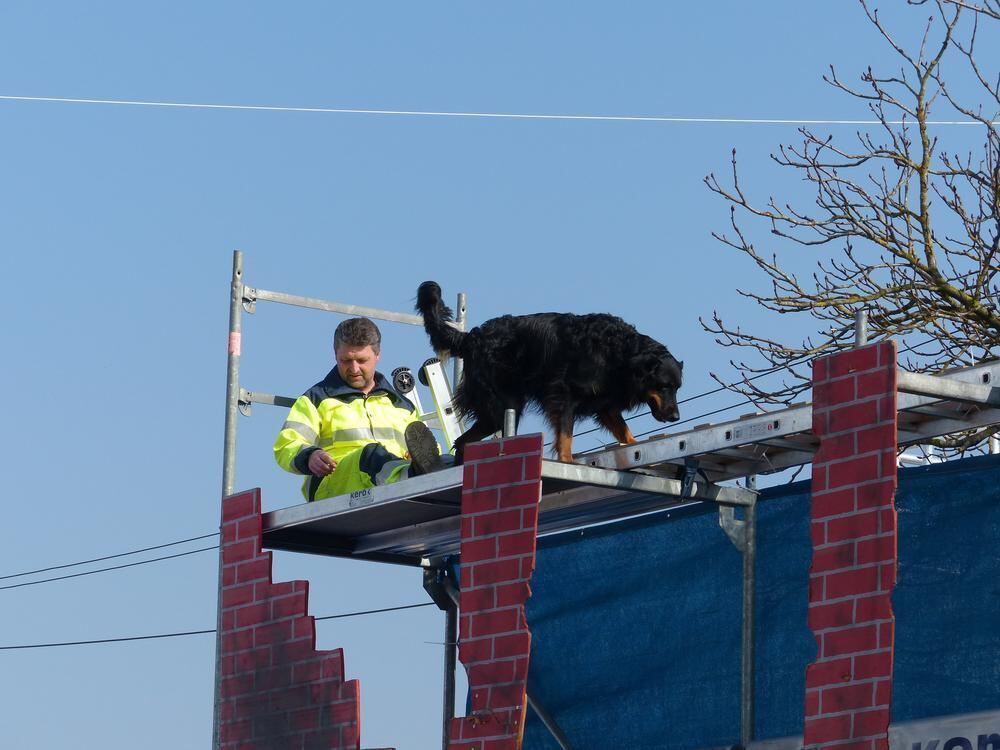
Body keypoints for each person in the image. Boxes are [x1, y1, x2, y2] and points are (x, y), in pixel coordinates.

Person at [274, 316, 443, 502]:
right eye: (345, 360)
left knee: (448, 458)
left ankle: (440, 474)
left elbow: (426, 449)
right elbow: (286, 445)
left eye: (362, 360)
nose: (354, 369)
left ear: (377, 355)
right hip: (334, 484)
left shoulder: (401, 405)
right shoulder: (316, 399)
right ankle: (409, 481)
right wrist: (309, 456)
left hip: (388, 474)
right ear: (335, 355)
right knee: (371, 455)